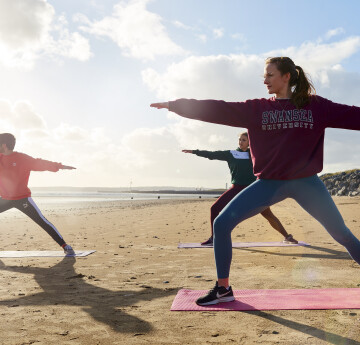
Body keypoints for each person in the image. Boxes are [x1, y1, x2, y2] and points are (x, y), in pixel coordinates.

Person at [150, 56, 360, 306]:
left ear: (287, 76)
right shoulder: (257, 109)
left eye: (270, 75)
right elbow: (218, 109)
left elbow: (354, 116)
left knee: (342, 234)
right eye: (264, 75)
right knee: (222, 223)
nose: (265, 80)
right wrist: (176, 105)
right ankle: (223, 288)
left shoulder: (316, 106)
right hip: (269, 183)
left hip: (306, 183)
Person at [183, 132, 298, 245]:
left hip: (253, 190)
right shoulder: (231, 154)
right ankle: (214, 238)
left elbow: (274, 159)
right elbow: (212, 154)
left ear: (249, 143)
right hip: (236, 189)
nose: (240, 142)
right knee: (214, 209)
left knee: (268, 215)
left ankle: (287, 237)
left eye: (244, 140)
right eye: (240, 140)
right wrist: (195, 152)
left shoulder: (254, 155)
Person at [0, 133, 76, 255]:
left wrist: (60, 166)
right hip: (5, 199)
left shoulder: (22, 158)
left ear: (4, 145)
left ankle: (65, 245)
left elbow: (41, 163)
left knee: (42, 221)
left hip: (22, 199)